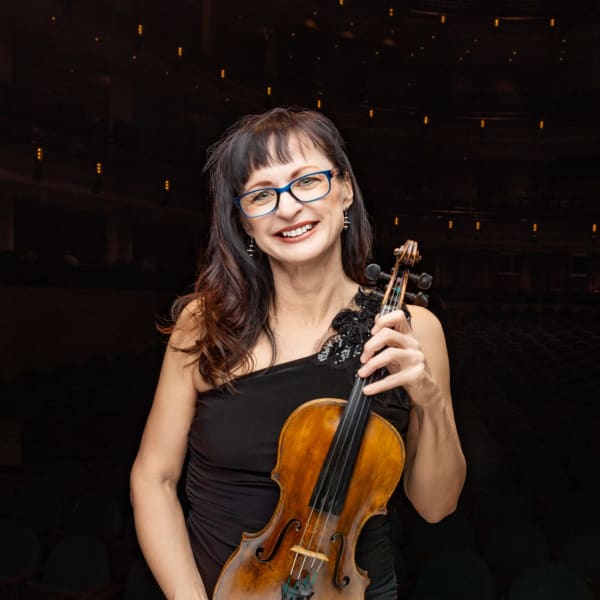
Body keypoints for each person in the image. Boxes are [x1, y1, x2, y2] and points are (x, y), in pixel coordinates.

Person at [129, 106, 466, 600]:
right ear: (244, 222)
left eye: (307, 181)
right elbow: (154, 478)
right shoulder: (205, 324)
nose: (288, 208)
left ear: (345, 189)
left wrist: (430, 401)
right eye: (262, 194)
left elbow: (437, 507)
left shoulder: (412, 330)